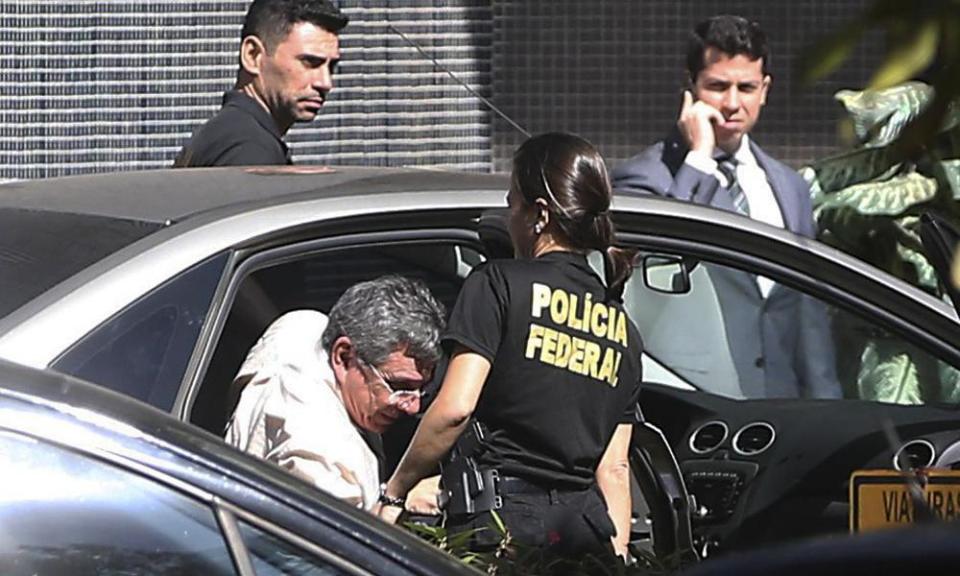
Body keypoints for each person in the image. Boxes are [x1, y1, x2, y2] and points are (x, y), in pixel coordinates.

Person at [379, 132, 644, 561]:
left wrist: (395, 492)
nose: (507, 216)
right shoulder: (623, 330)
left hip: (503, 531)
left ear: (539, 214)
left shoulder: (497, 284)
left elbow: (454, 410)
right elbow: (614, 469)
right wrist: (617, 558)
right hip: (583, 536)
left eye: (511, 203)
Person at [611, 15, 840, 399]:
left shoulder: (791, 186)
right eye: (718, 86)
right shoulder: (645, 177)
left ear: (764, 89)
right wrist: (698, 159)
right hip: (694, 401)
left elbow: (809, 316)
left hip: (784, 404)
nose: (733, 103)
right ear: (691, 86)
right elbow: (658, 263)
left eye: (746, 87)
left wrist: (829, 405)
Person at [225, 275, 445, 510]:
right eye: (400, 387)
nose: (413, 406)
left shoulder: (302, 326)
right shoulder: (321, 457)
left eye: (422, 388)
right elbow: (328, 541)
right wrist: (399, 502)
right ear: (344, 356)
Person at [174, 0, 347, 167]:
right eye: (309, 62)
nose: (325, 83)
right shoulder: (249, 148)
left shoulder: (229, 134)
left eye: (331, 66)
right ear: (252, 55)